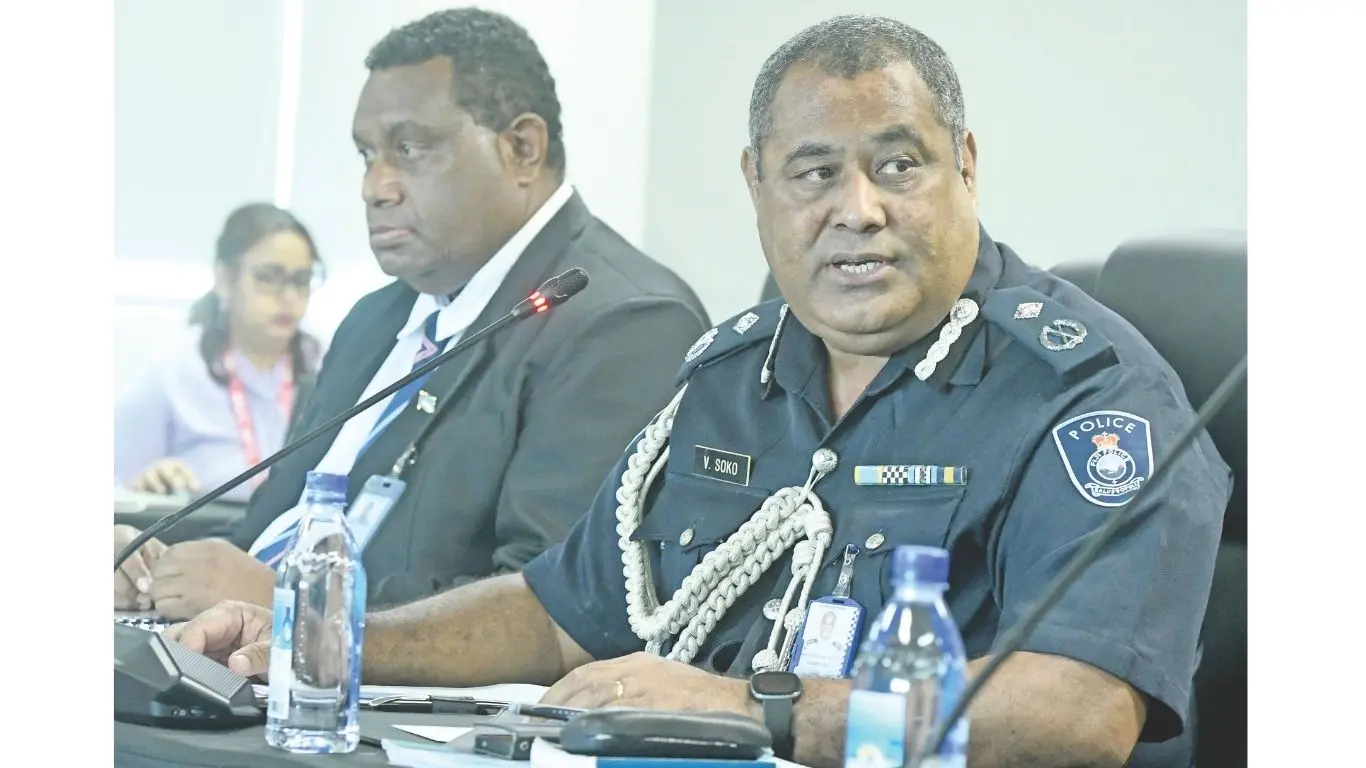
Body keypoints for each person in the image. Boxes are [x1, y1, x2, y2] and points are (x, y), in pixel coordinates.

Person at [168, 15, 1230, 768]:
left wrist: (753, 710)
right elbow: (558, 615)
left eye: (897, 166)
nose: (856, 208)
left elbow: (1079, 718)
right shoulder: (733, 372)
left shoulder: (1087, 394)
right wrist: (325, 641)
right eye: (814, 172)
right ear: (758, 189)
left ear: (964, 166)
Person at [115, 8, 708, 621]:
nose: (376, 186)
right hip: (246, 664)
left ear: (522, 149)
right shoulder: (377, 320)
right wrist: (154, 572)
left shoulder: (624, 324)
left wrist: (295, 608)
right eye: (367, 154)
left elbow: (550, 612)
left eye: (409, 147)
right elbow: (274, 532)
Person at [113, 203, 324, 505]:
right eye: (268, 278)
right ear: (226, 280)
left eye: (301, 280)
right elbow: (118, 488)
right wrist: (149, 481)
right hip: (201, 542)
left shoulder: (331, 366)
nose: (289, 297)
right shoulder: (173, 371)